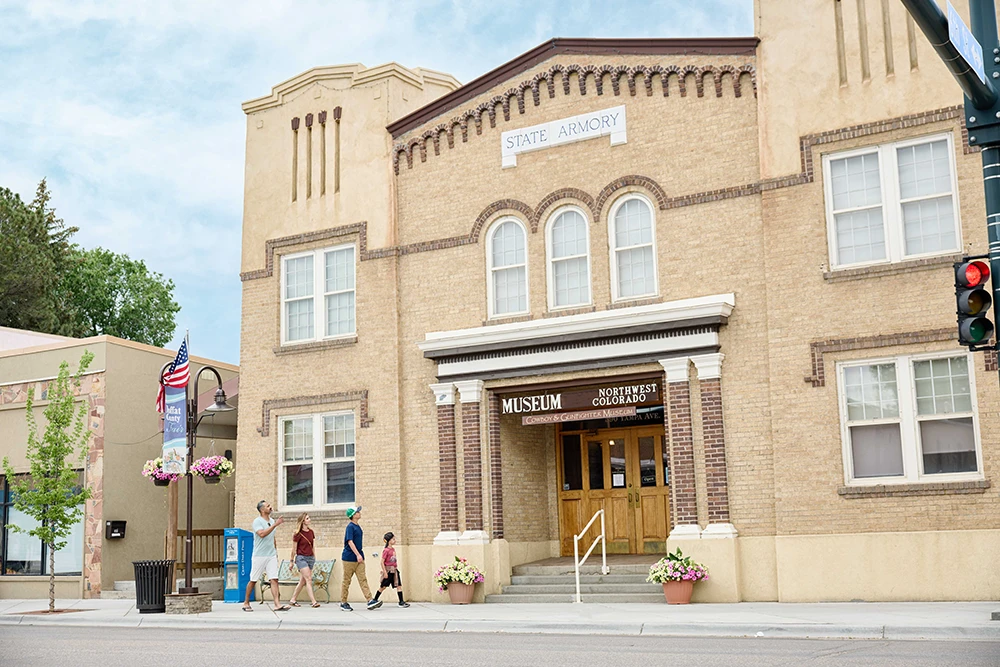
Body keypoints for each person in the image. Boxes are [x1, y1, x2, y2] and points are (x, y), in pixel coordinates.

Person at [242, 500, 290, 612]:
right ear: (262, 510)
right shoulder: (257, 522)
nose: (270, 507)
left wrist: (275, 552)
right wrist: (275, 525)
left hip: (271, 555)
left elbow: (272, 538)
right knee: (253, 580)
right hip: (259, 555)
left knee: (274, 579)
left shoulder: (272, 521)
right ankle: (246, 602)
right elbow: (262, 534)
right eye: (268, 506)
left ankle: (277, 604)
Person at [340, 505, 380, 611]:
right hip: (349, 558)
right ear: (353, 515)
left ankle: (370, 600)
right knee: (346, 581)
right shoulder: (350, 527)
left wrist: (360, 555)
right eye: (357, 512)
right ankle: (343, 602)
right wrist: (357, 554)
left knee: (363, 579)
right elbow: (350, 541)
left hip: (359, 558)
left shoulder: (357, 526)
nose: (359, 513)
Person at [288, 513, 320, 608]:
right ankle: (314, 602)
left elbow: (313, 546)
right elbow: (294, 549)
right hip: (301, 558)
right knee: (308, 579)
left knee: (302, 581)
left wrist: (314, 556)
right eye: (307, 518)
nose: (309, 520)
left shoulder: (311, 532)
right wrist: (291, 561)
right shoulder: (297, 534)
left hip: (310, 558)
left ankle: (293, 599)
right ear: (303, 521)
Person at [373, 531, 409, 608]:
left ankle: (401, 601)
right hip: (388, 571)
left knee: (398, 585)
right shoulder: (386, 550)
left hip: (395, 570)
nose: (394, 540)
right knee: (383, 586)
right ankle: (375, 599)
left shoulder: (393, 549)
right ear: (389, 541)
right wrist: (385, 572)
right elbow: (382, 562)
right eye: (393, 539)